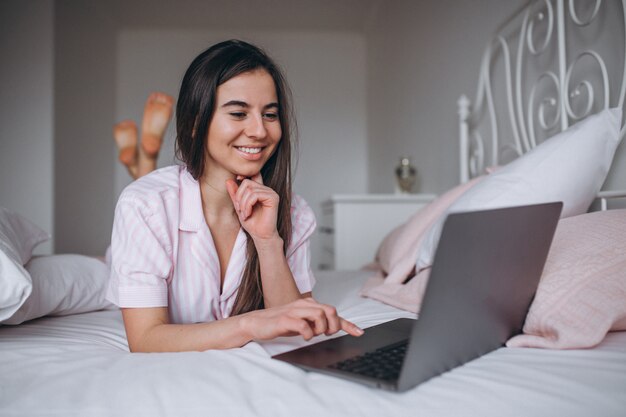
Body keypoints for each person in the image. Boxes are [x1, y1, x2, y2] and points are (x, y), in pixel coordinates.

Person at [107, 39, 363, 352]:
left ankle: (142, 160)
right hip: (140, 233)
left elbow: (296, 325)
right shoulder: (143, 205)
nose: (259, 131)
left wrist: (268, 241)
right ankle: (143, 164)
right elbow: (145, 339)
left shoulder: (294, 211)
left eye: (270, 114)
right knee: (93, 276)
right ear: (194, 123)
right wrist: (249, 324)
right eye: (239, 113)